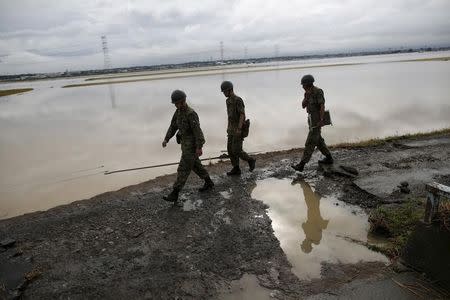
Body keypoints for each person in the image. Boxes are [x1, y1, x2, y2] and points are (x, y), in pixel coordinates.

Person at [162, 90, 214, 202]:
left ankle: (175, 193)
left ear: (183, 101)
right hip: (185, 146)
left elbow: (198, 132)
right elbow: (173, 127)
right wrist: (166, 139)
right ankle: (209, 182)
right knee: (196, 166)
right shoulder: (178, 112)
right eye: (175, 103)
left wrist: (199, 147)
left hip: (191, 147)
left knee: (183, 169)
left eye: (177, 103)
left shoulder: (191, 114)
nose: (176, 105)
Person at [292, 75, 333, 172]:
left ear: (308, 84)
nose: (302, 87)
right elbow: (303, 106)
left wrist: (322, 120)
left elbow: (322, 106)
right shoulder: (307, 93)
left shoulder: (318, 91)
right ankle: (329, 158)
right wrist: (306, 97)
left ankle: (301, 165)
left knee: (310, 141)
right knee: (318, 140)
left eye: (303, 85)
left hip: (317, 120)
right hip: (311, 120)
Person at [220, 81, 256, 176]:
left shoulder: (238, 100)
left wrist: (239, 128)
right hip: (231, 129)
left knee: (236, 149)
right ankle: (236, 168)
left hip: (238, 128)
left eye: (224, 91)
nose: (224, 93)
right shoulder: (228, 101)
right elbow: (229, 116)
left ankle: (251, 160)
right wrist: (228, 128)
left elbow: (242, 114)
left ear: (230, 90)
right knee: (230, 150)